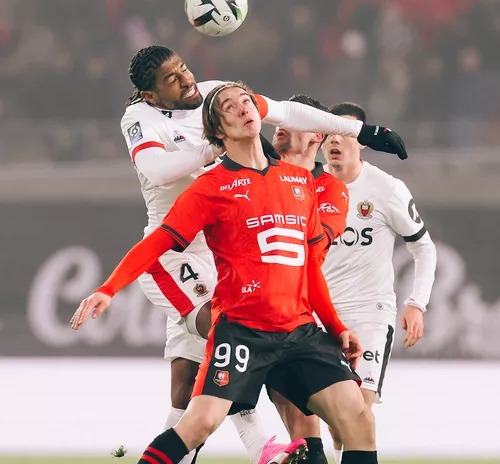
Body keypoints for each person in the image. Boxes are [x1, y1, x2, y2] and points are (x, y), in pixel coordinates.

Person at [71, 46, 407, 463]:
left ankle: (264, 442)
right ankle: (260, 443)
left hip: (296, 329)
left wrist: (335, 326)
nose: (243, 107)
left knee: (358, 419)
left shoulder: (296, 182)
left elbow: (306, 265)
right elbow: (159, 224)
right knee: (197, 414)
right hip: (229, 312)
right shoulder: (206, 183)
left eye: (247, 101)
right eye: (230, 107)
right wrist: (108, 288)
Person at [268, 101, 437, 464]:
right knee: (327, 415)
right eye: (330, 133)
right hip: (315, 315)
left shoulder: (386, 189)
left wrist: (416, 303)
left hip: (368, 312)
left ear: (361, 141)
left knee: (358, 411)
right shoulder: (301, 185)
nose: (336, 140)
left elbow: (424, 247)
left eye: (346, 133)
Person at [269, 94, 349, 464]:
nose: (280, 128)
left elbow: (310, 252)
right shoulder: (251, 174)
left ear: (317, 135)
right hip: (247, 311)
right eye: (279, 121)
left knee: (307, 421)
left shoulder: (330, 188)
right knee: (196, 404)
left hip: (300, 314)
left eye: (294, 122)